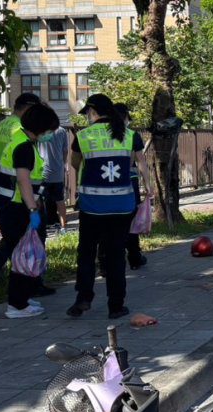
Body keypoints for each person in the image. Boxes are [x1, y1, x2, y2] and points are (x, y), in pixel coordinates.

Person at [68, 94, 146, 319]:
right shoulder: (130, 135)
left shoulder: (82, 136)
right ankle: (116, 306)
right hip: (122, 205)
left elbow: (75, 163)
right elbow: (139, 163)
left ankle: (83, 298)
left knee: (86, 252)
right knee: (115, 255)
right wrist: (148, 188)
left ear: (92, 112)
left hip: (92, 205)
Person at [0, 102, 60, 318]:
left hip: (10, 205)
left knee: (21, 252)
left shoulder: (22, 141)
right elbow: (24, 180)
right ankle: (16, 305)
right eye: (50, 130)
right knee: (23, 255)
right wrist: (33, 209)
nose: (51, 134)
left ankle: (22, 299)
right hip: (16, 207)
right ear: (40, 128)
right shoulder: (24, 147)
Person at [0, 93, 42, 295]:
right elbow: (23, 164)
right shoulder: (19, 129)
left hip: (1, 183)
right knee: (22, 238)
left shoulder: (2, 124)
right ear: (28, 108)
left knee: (13, 238)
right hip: (17, 191)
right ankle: (27, 282)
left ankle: (23, 280)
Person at [114, 103, 148, 270]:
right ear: (126, 117)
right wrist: (148, 184)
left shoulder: (101, 135)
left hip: (108, 183)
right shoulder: (132, 135)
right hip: (129, 182)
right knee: (131, 220)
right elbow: (141, 161)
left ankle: (107, 261)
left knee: (110, 220)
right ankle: (134, 256)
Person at [38, 124, 69, 232]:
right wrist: (63, 164)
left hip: (42, 174)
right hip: (58, 174)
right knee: (60, 200)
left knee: (39, 199)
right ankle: (63, 227)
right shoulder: (62, 131)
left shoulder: (39, 129)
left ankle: (40, 226)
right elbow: (65, 151)